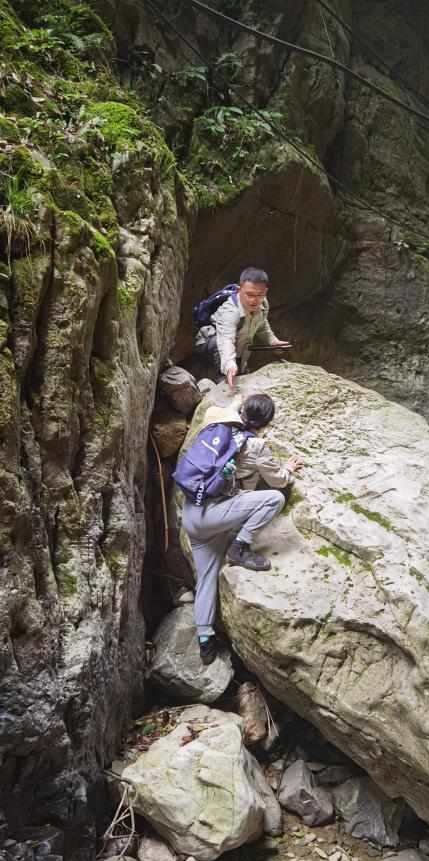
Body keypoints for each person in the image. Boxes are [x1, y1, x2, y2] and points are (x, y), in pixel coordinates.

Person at [182, 393, 303, 665]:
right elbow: (278, 481)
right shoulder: (256, 446)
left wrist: (238, 401)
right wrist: (288, 467)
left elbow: (230, 408)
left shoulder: (218, 420)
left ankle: (205, 640)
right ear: (266, 424)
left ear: (243, 410)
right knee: (274, 499)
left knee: (206, 578)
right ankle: (240, 547)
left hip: (191, 513)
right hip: (215, 514)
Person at [195, 268, 291, 389]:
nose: (254, 300)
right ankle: (221, 377)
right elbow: (225, 340)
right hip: (211, 343)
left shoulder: (263, 303)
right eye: (249, 294)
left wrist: (273, 341)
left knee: (240, 364)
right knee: (221, 349)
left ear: (265, 292)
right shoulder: (230, 311)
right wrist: (229, 364)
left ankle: (237, 369)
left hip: (240, 345)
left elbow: (262, 324)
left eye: (259, 295)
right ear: (240, 290)